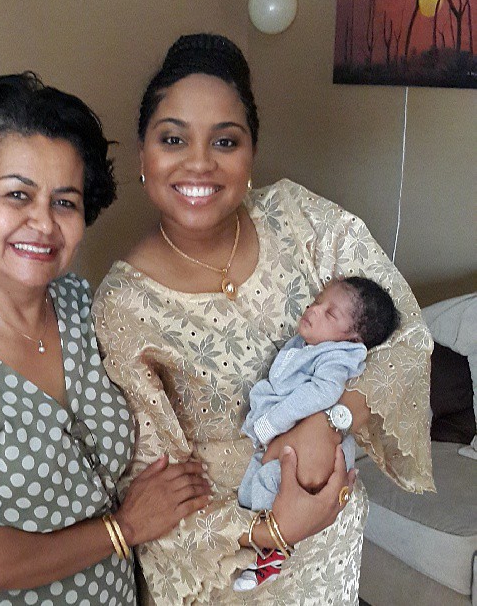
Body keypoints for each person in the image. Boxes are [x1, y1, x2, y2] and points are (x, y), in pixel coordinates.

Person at [92, 34, 434, 604]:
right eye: (173, 138)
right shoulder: (124, 304)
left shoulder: (301, 219)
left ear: (250, 153)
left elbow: (406, 336)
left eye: (225, 140)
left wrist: (331, 420)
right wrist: (272, 529)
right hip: (235, 566)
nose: (199, 162)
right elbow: (153, 486)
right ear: (142, 156)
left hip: (331, 538)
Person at [0, 72, 214, 605]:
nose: (44, 223)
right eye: (17, 195)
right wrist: (124, 528)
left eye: (65, 202)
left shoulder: (78, 304)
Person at [235, 276, 400, 591]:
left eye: (330, 313)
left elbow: (323, 392)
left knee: (270, 484)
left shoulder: (338, 356)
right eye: (316, 302)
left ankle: (273, 554)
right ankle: (259, 540)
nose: (313, 310)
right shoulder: (310, 343)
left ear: (351, 338)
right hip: (288, 440)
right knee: (254, 485)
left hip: (309, 449)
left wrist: (274, 422)